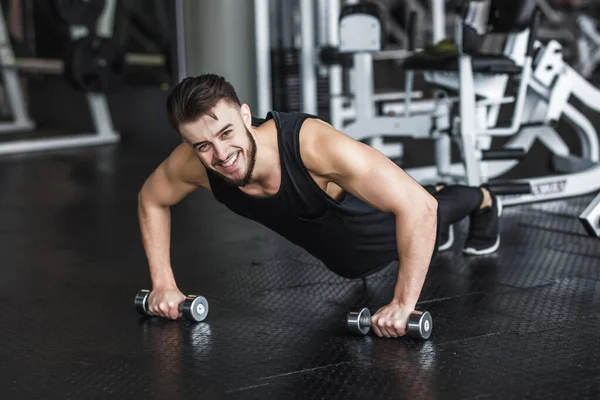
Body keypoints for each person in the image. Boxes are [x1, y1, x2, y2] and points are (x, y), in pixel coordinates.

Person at [137, 74, 502, 338]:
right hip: (341, 257)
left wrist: (403, 305)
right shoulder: (192, 163)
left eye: (226, 133)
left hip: (370, 229)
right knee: (360, 257)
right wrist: (163, 284)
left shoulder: (311, 145)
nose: (221, 155)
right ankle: (435, 211)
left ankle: (483, 199)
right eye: (202, 146)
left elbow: (419, 208)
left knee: (427, 210)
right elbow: (151, 199)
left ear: (245, 115)